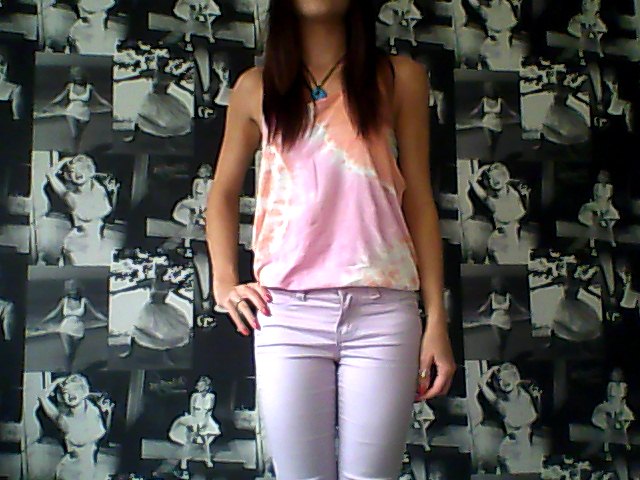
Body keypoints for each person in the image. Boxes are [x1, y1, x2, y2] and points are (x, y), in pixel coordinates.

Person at [204, 1, 456, 478]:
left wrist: (437, 320)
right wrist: (223, 283)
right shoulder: (255, 87)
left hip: (383, 313)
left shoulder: (400, 78)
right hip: (287, 314)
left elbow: (420, 199)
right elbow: (221, 193)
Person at [37, 374, 114, 480]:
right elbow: (42, 396)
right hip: (66, 469)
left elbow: (83, 438)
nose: (70, 395)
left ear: (84, 392)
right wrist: (57, 381)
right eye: (65, 392)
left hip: (83, 471)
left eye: (75, 390)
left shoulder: (92, 413)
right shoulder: (64, 418)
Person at [36, 66, 112, 152]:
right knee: (74, 134)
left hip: (84, 114)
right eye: (77, 77)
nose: (78, 78)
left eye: (80, 77)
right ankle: (73, 152)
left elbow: (100, 99)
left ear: (84, 77)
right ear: (73, 78)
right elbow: (60, 97)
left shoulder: (89, 87)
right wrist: (48, 105)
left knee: (79, 135)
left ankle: (76, 150)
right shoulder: (70, 86)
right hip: (71, 111)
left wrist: (110, 106)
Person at [38, 279, 108, 371]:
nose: (73, 291)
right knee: (68, 352)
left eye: (74, 289)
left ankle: (68, 368)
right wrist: (43, 321)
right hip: (65, 328)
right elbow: (55, 312)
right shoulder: (64, 301)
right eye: (71, 290)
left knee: (72, 353)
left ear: (78, 290)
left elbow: (96, 313)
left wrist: (107, 320)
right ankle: (66, 370)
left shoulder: (84, 301)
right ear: (68, 291)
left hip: (79, 329)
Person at [168, 375, 222, 477]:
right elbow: (192, 411)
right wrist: (195, 424)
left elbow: (209, 412)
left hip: (205, 419)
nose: (199, 387)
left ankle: (207, 459)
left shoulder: (211, 396)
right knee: (189, 442)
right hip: (194, 418)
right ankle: (183, 465)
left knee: (205, 441)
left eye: (202, 385)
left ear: (207, 387)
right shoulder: (194, 396)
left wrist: (204, 423)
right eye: (198, 385)